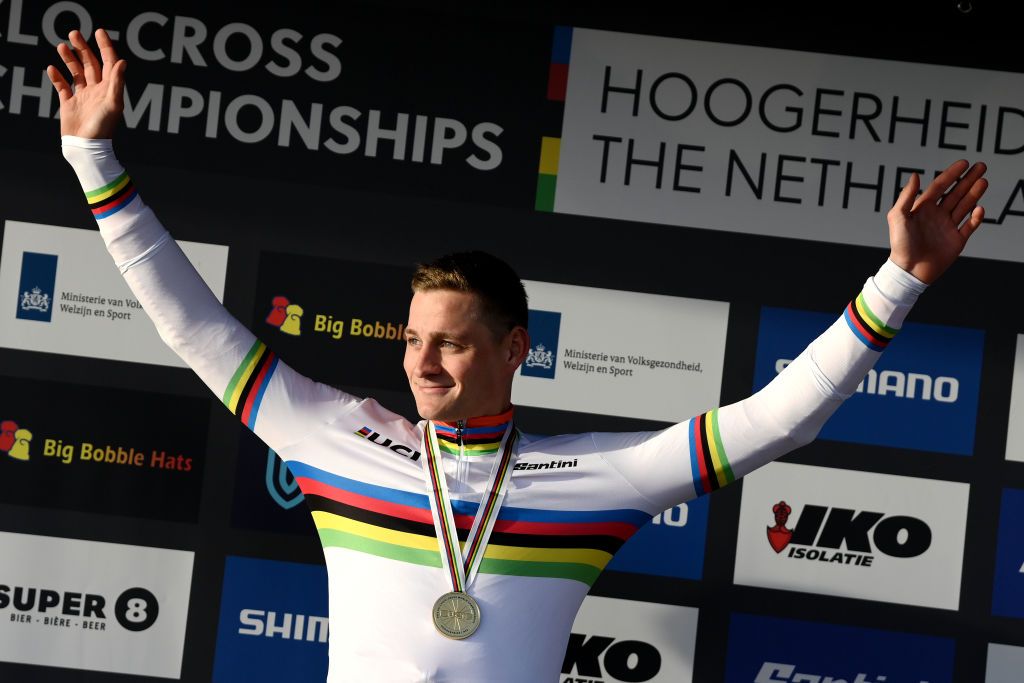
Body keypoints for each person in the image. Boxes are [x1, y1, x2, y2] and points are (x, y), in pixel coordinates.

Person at [47, 28, 988, 682]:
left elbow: (781, 417)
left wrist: (897, 281)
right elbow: (195, 328)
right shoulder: (332, 435)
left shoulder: (598, 477)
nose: (420, 363)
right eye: (413, 340)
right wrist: (96, 160)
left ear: (515, 350)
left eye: (450, 343)